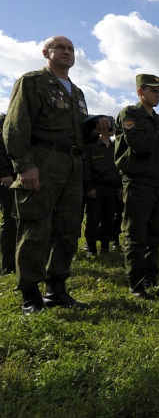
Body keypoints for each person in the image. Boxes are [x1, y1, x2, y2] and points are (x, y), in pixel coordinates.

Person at [3, 35, 111, 314]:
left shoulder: (77, 93)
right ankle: (30, 296)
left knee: (68, 229)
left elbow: (78, 136)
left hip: (72, 165)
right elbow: (15, 127)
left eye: (71, 49)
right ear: (45, 52)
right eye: (60, 48)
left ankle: (56, 290)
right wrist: (25, 165)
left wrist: (94, 130)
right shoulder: (32, 82)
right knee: (35, 229)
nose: (67, 52)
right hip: (42, 160)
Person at [115, 74, 159, 299]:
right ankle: (136, 284)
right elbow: (140, 144)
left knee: (154, 235)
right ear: (140, 91)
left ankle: (151, 278)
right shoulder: (130, 115)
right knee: (136, 234)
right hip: (138, 182)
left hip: (158, 184)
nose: (158, 94)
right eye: (154, 91)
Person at [83, 116, 122, 256]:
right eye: (110, 126)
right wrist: (89, 187)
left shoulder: (115, 146)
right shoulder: (91, 146)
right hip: (96, 188)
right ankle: (91, 248)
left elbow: (118, 169)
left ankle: (105, 247)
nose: (112, 129)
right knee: (93, 219)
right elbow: (86, 167)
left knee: (109, 219)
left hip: (111, 189)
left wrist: (119, 186)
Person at [0, 112, 17, 275]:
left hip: (22, 176)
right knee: (10, 220)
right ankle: (8, 266)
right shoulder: (6, 120)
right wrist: (4, 172)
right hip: (9, 178)